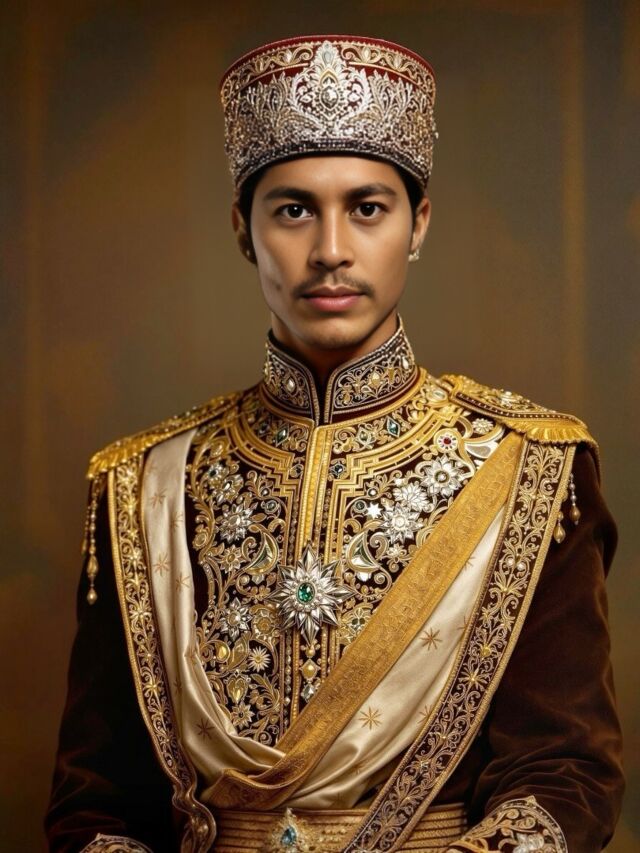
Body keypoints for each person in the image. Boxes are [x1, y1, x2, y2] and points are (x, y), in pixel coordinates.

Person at [46, 35, 624, 853]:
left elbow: (565, 775)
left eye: (367, 208)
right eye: (293, 210)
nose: (330, 250)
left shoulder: (530, 468)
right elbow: (96, 803)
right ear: (243, 229)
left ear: (418, 224)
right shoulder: (145, 484)